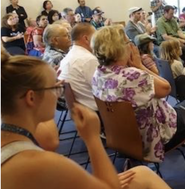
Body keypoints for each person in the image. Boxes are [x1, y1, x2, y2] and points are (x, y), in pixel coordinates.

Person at [1, 49, 173, 189]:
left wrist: (43, 85)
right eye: (54, 88)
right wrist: (92, 138)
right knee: (144, 177)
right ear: (31, 98)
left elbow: (49, 139)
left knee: (141, 173)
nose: (58, 93)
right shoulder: (45, 163)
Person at [92, 25, 185, 163]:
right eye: (128, 42)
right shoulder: (132, 75)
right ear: (119, 48)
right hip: (150, 140)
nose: (131, 46)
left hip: (121, 138)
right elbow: (166, 88)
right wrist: (139, 65)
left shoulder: (98, 74)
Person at [58, 23, 100, 111]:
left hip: (79, 109)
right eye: (95, 36)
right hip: (95, 111)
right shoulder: (88, 59)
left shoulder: (68, 57)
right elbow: (102, 88)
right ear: (86, 38)